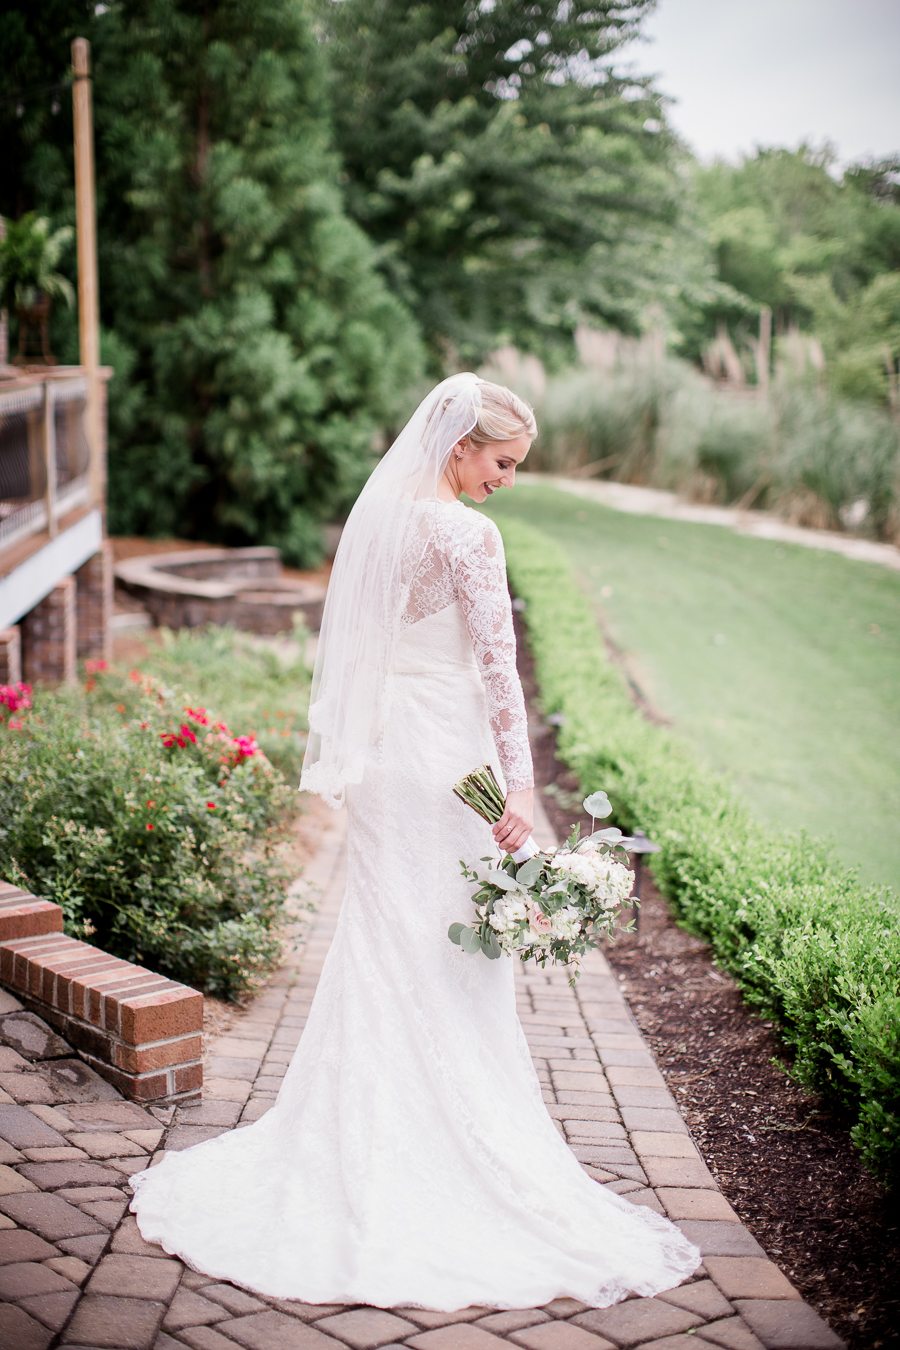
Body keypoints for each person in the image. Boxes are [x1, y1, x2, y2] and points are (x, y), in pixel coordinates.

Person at [130, 373, 700, 1310]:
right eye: (502, 462)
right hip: (449, 762)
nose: (506, 480)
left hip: (393, 756)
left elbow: (359, 648)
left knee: (385, 935)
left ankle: (357, 1132)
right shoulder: (467, 534)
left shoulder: (382, 520)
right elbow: (499, 671)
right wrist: (519, 784)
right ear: (461, 446)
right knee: (446, 949)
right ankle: (440, 1145)